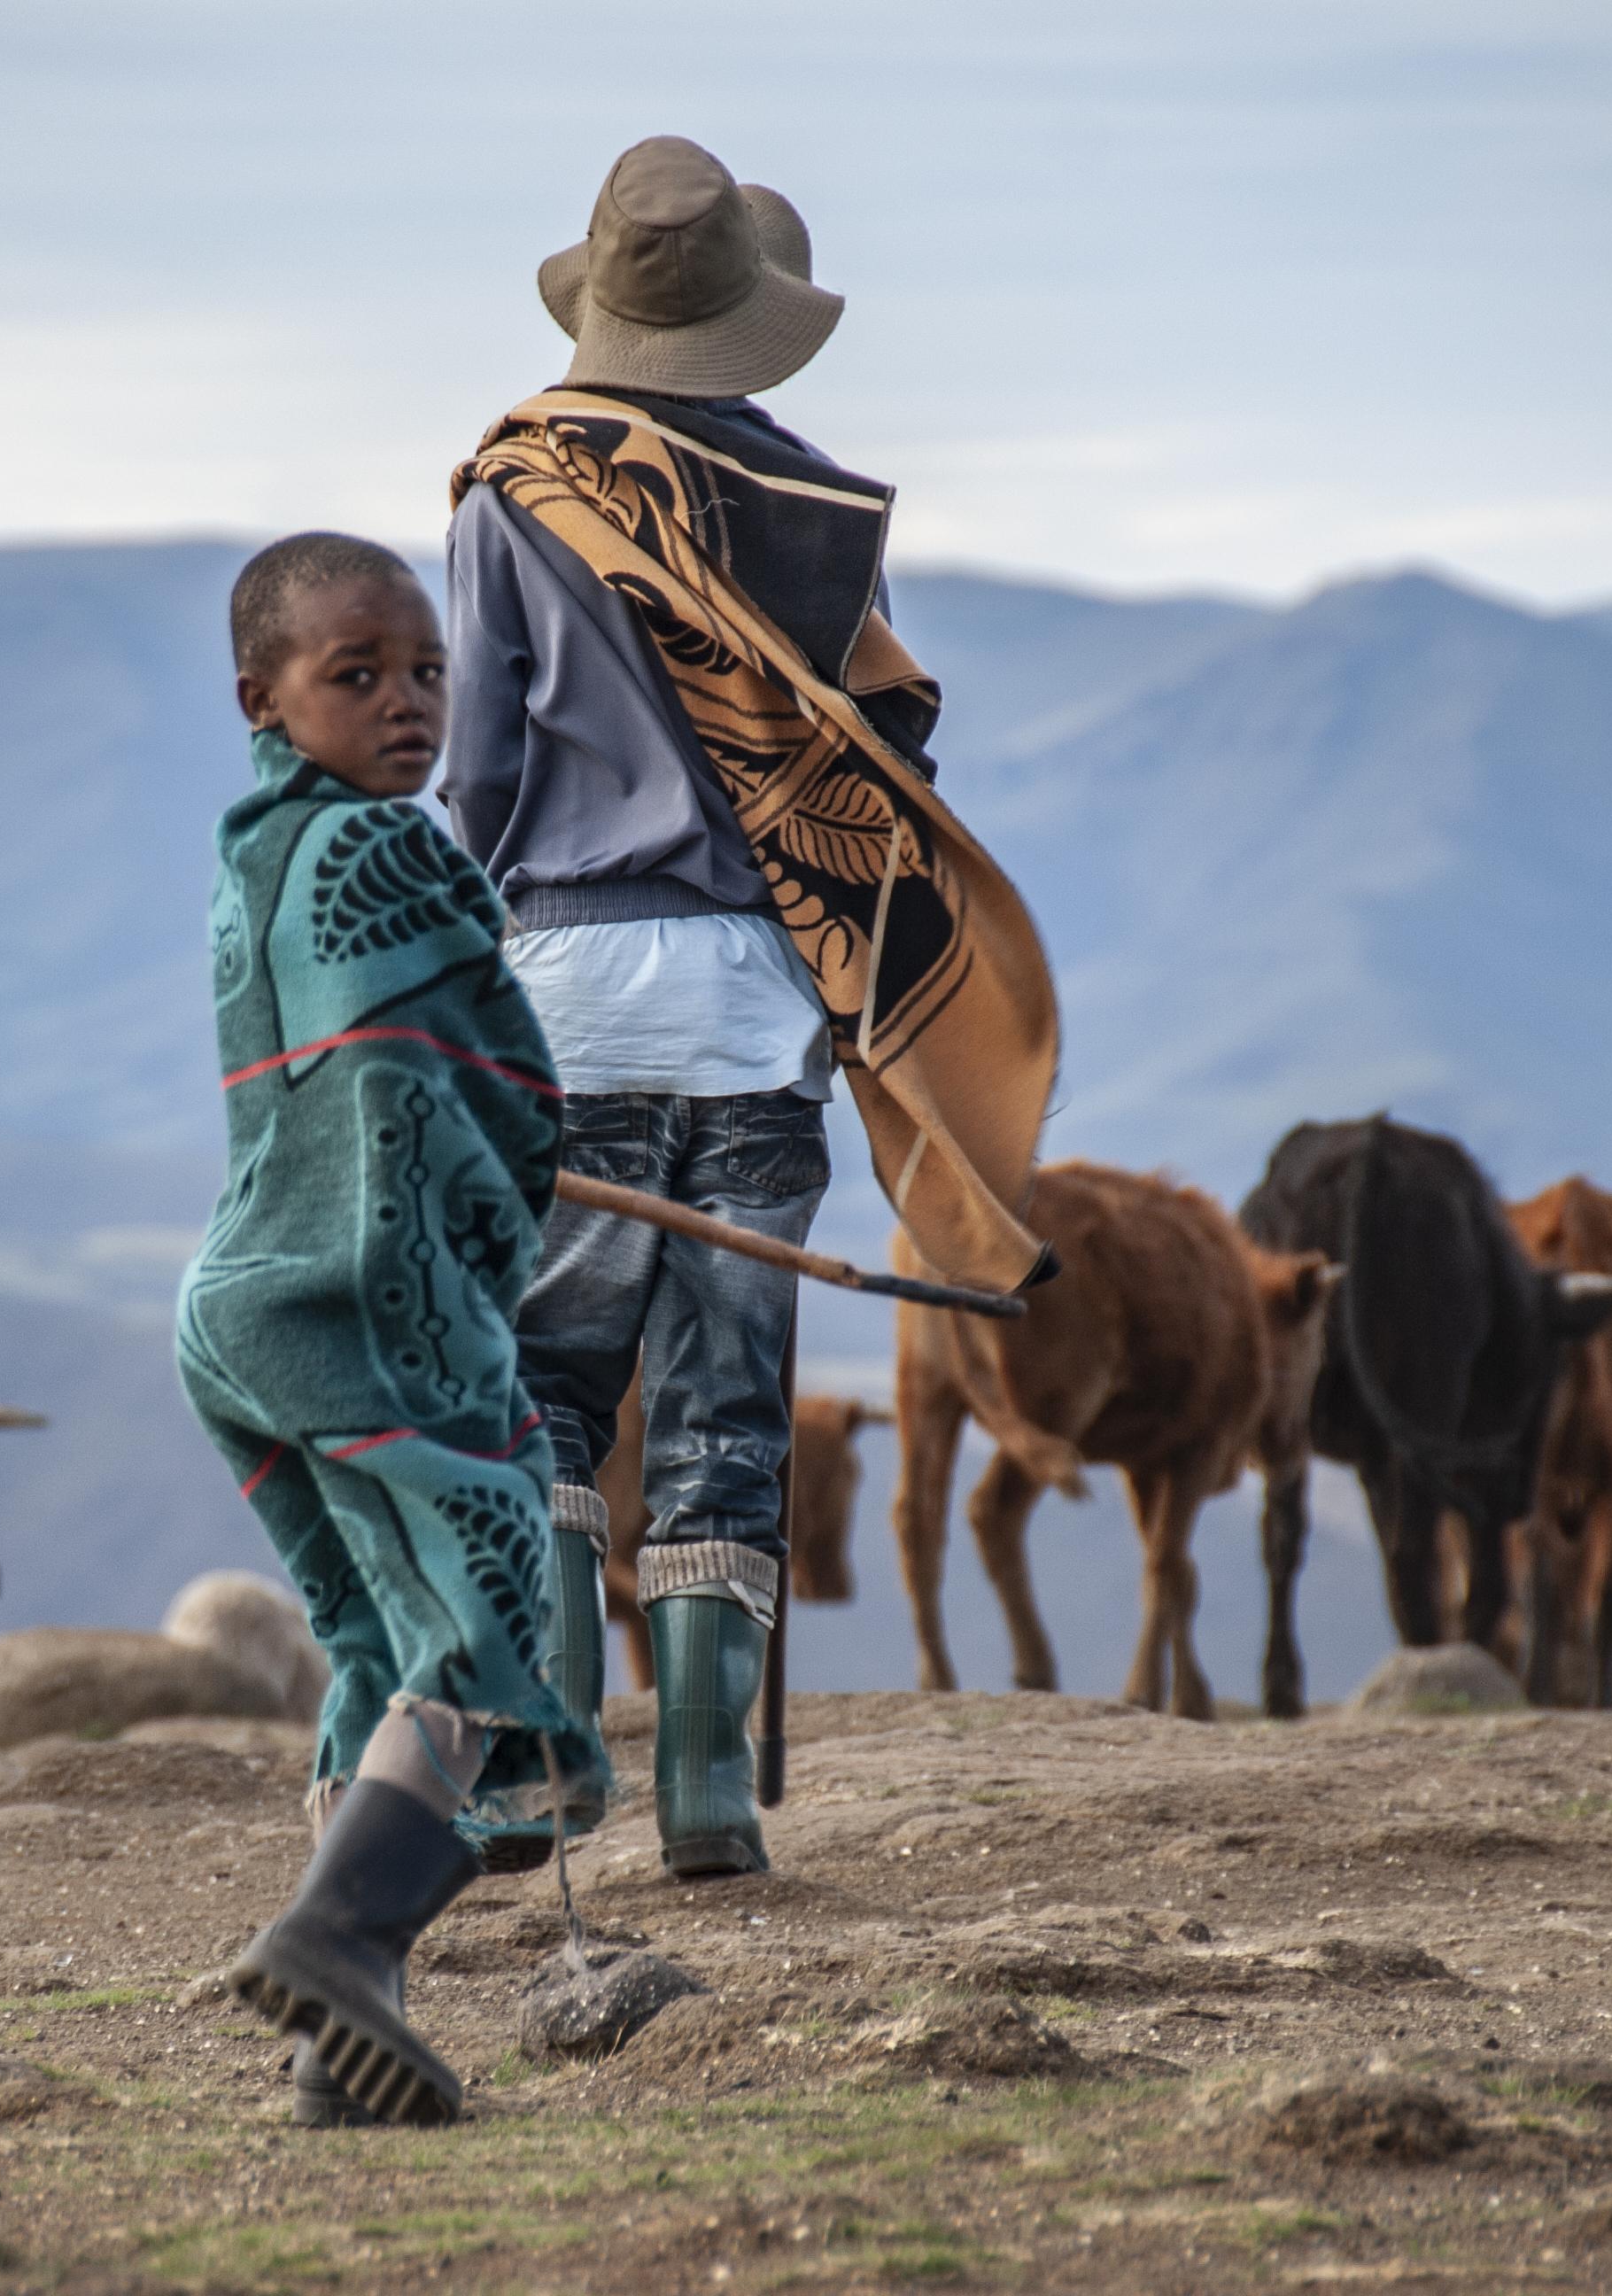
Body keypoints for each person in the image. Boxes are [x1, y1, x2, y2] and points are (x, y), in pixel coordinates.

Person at [444, 137, 1060, 1879]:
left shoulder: (512, 490)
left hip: (562, 984)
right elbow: (881, 750)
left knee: (542, 1387)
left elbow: (478, 772)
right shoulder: (820, 512)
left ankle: (537, 1764)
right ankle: (708, 1801)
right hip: (759, 1001)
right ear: (744, 312)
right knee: (724, 1399)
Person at [178, 532, 603, 2130]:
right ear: (264, 701)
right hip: (360, 1303)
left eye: (425, 671)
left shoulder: (258, 860)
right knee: (492, 1622)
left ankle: (338, 2060)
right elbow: (472, 1090)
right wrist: (526, 1181)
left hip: (241, 1303)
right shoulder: (391, 857)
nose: (405, 703)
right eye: (354, 677)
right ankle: (342, 1935)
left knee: (377, 1652)